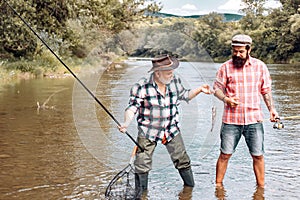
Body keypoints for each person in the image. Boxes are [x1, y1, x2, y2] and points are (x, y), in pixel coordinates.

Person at [118, 55, 211, 197]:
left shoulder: (175, 81)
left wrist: (199, 90)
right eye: (168, 72)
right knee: (142, 165)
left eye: (172, 70)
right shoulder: (141, 86)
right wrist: (126, 123)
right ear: (157, 73)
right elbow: (132, 108)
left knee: (183, 160)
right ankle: (142, 195)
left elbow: (185, 95)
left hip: (171, 129)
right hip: (148, 131)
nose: (172, 74)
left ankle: (189, 190)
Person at [213, 34, 279, 188]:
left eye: (241, 51)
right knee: (225, 154)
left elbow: (266, 90)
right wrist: (226, 99)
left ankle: (261, 189)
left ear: (249, 49)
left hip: (254, 120)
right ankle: (218, 187)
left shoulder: (260, 66)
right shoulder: (225, 67)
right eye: (235, 51)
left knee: (258, 155)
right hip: (231, 120)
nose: (237, 54)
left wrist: (272, 110)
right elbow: (216, 89)